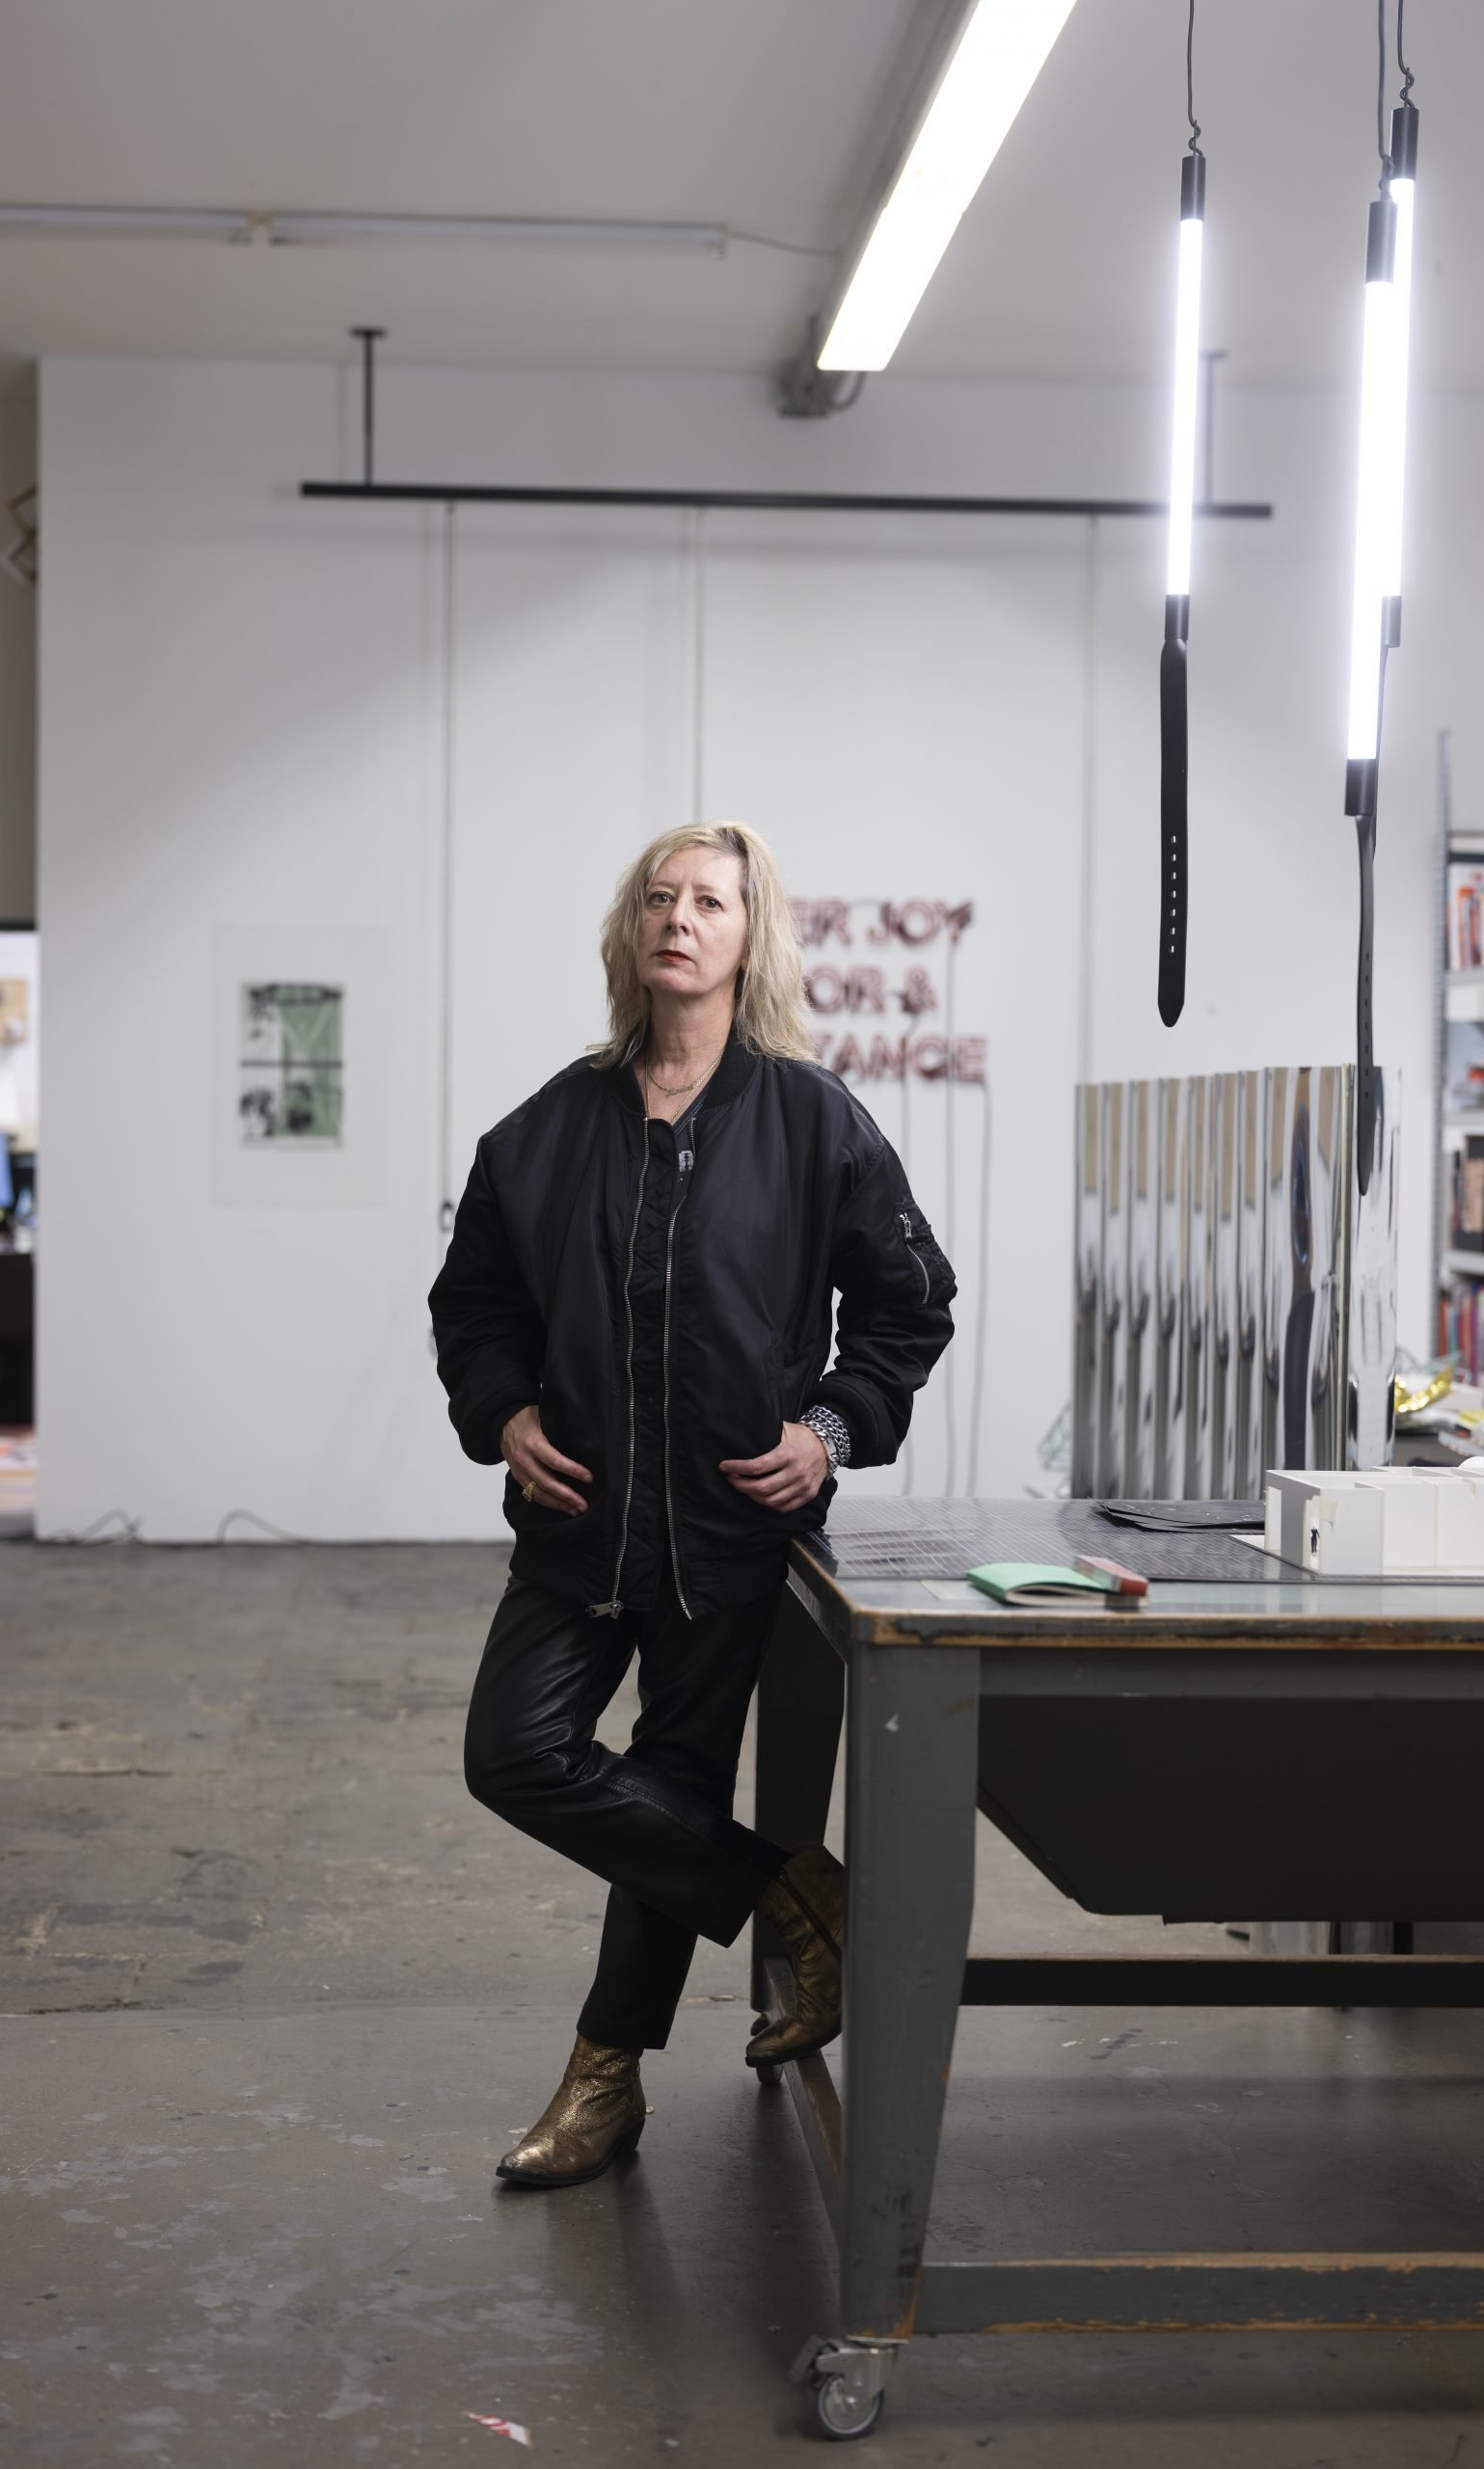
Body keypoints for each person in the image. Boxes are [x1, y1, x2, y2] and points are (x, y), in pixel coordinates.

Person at [429, 822, 956, 2189]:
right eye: (658, 898)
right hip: (578, 1522)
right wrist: (505, 1413)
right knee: (515, 1752)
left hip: (727, 1527)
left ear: (746, 935)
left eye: (708, 901)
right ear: (631, 934)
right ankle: (792, 1886)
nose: (679, 918)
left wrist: (832, 1429)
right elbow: (472, 1304)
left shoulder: (811, 1120)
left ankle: (605, 2085)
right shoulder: (545, 1130)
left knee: (666, 1786)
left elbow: (909, 1307)